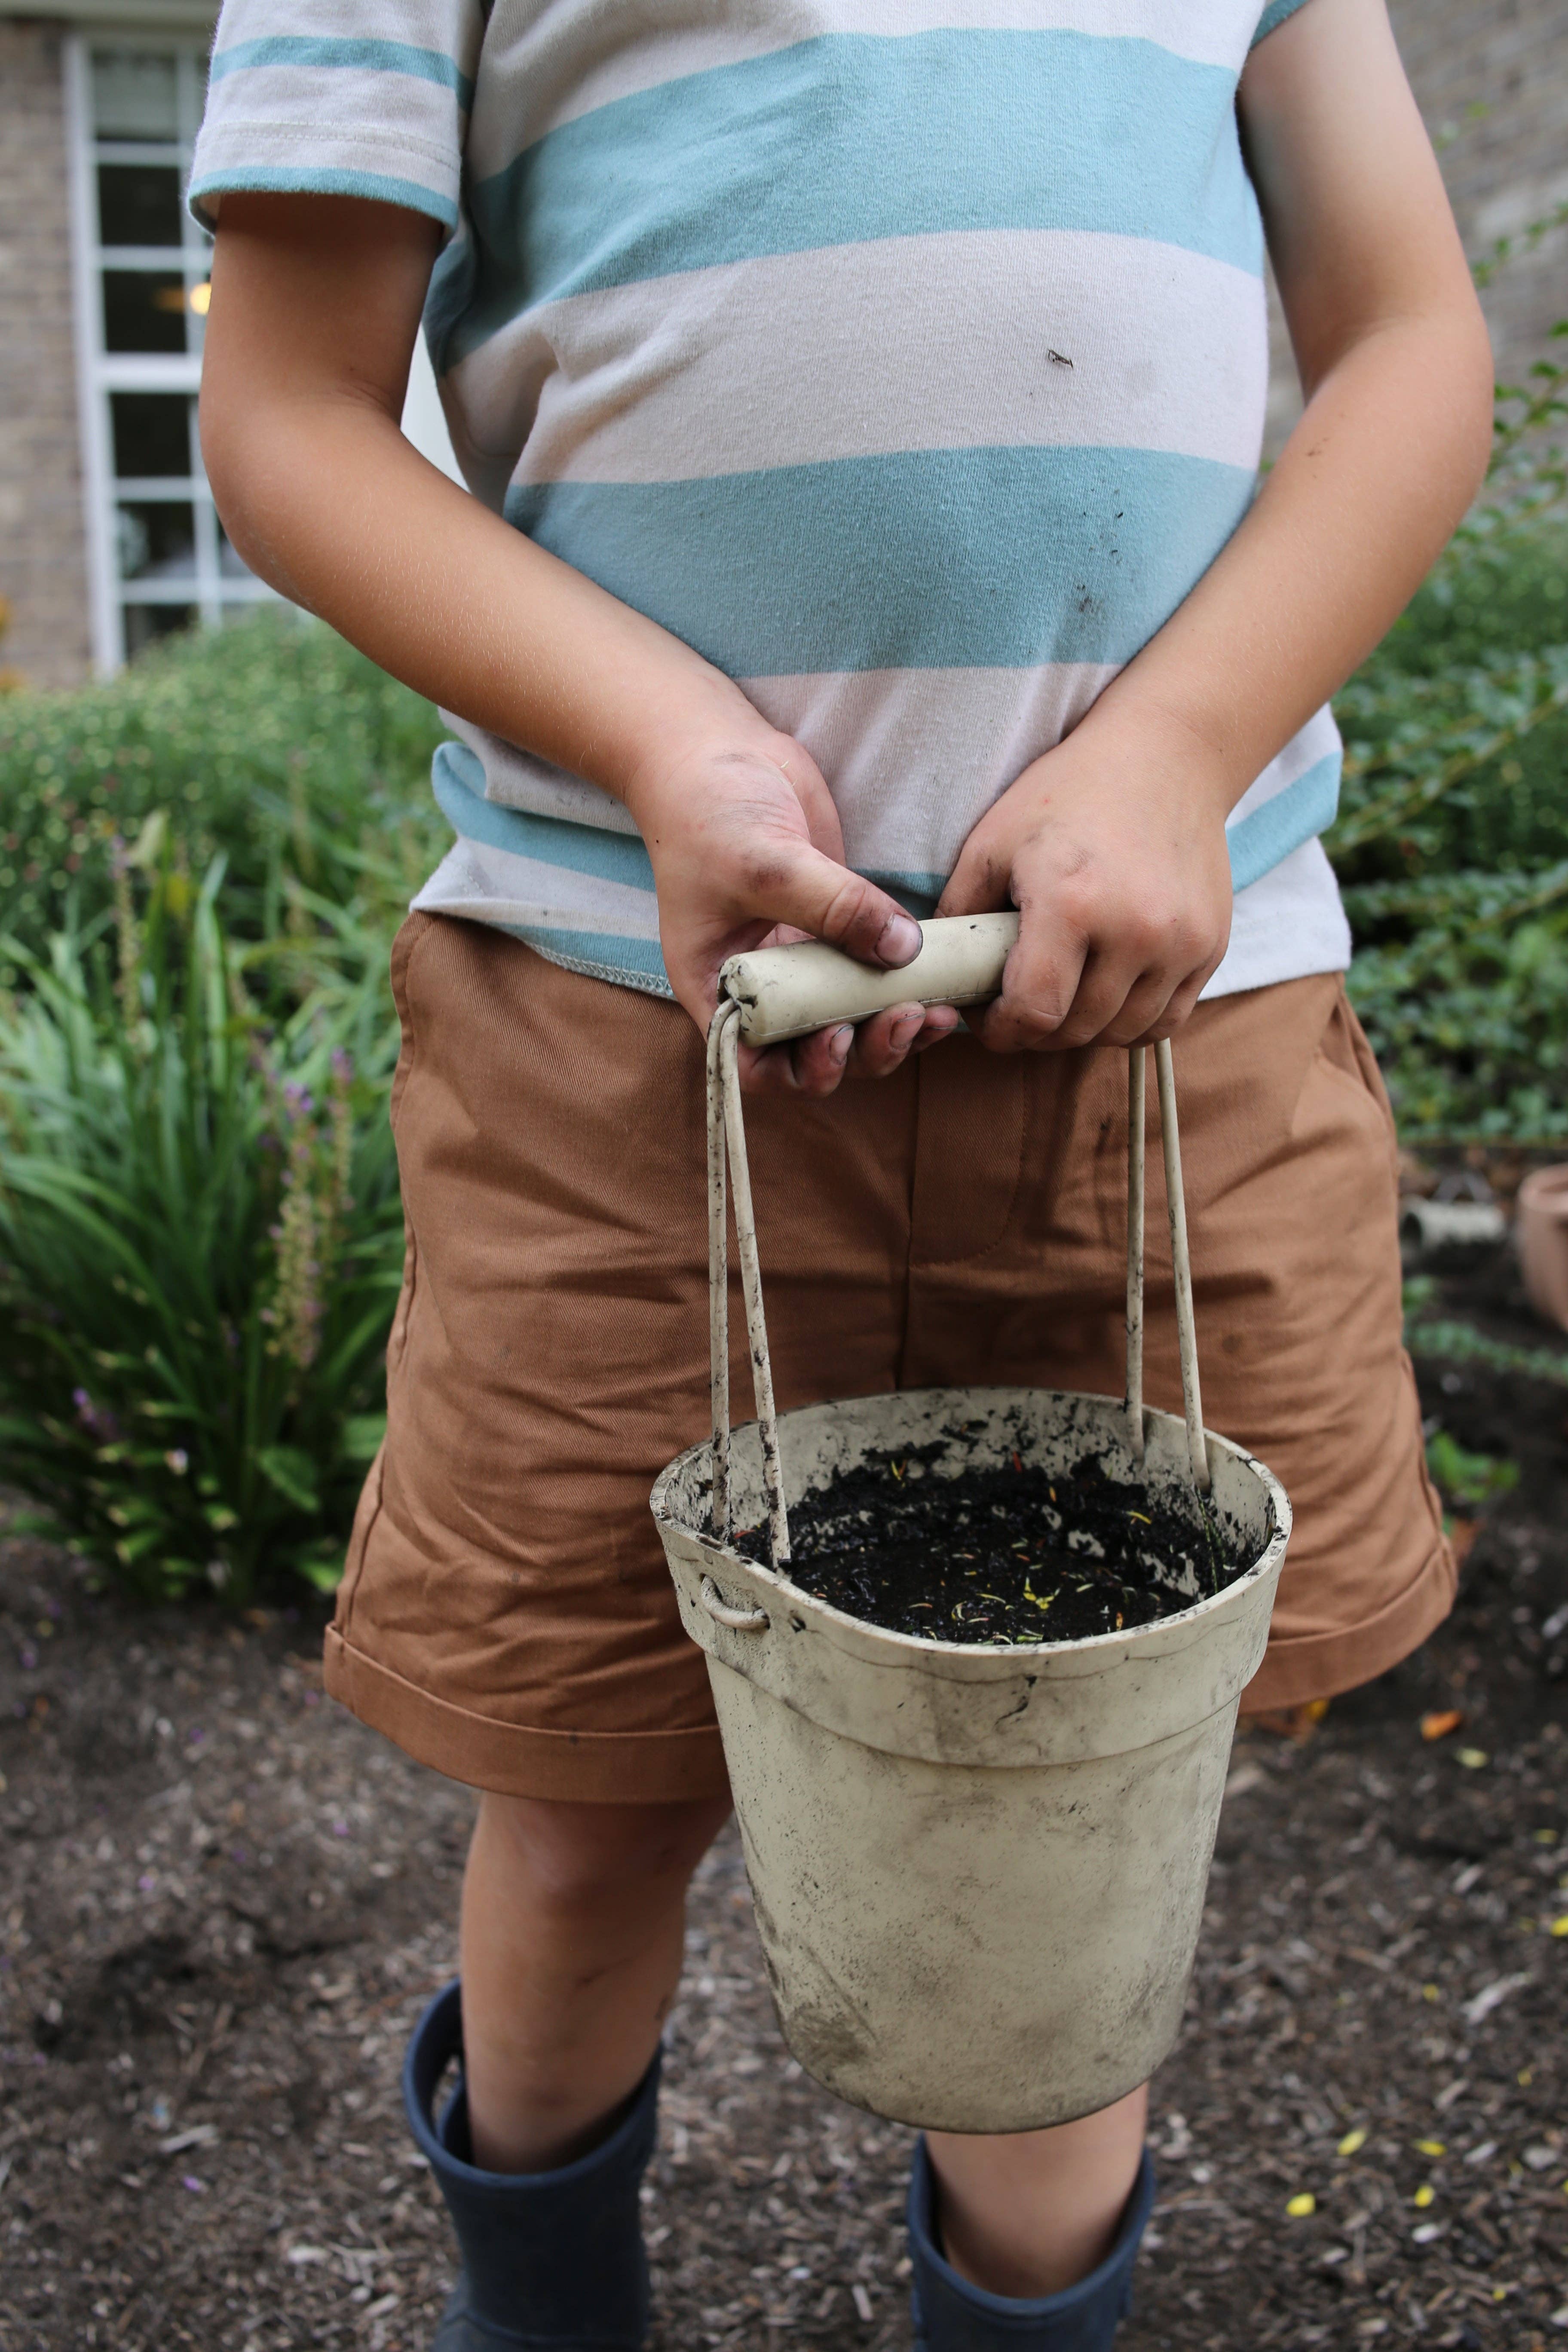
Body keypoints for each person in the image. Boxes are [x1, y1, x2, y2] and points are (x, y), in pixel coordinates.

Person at [192, 0, 1491, 2343]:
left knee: (1064, 1816)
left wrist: (1181, 745)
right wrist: (664, 741)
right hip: (624, 1046)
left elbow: (1409, 339)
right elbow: (290, 415)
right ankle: (544, 2309)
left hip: (1167, 1039)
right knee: (591, 1794)